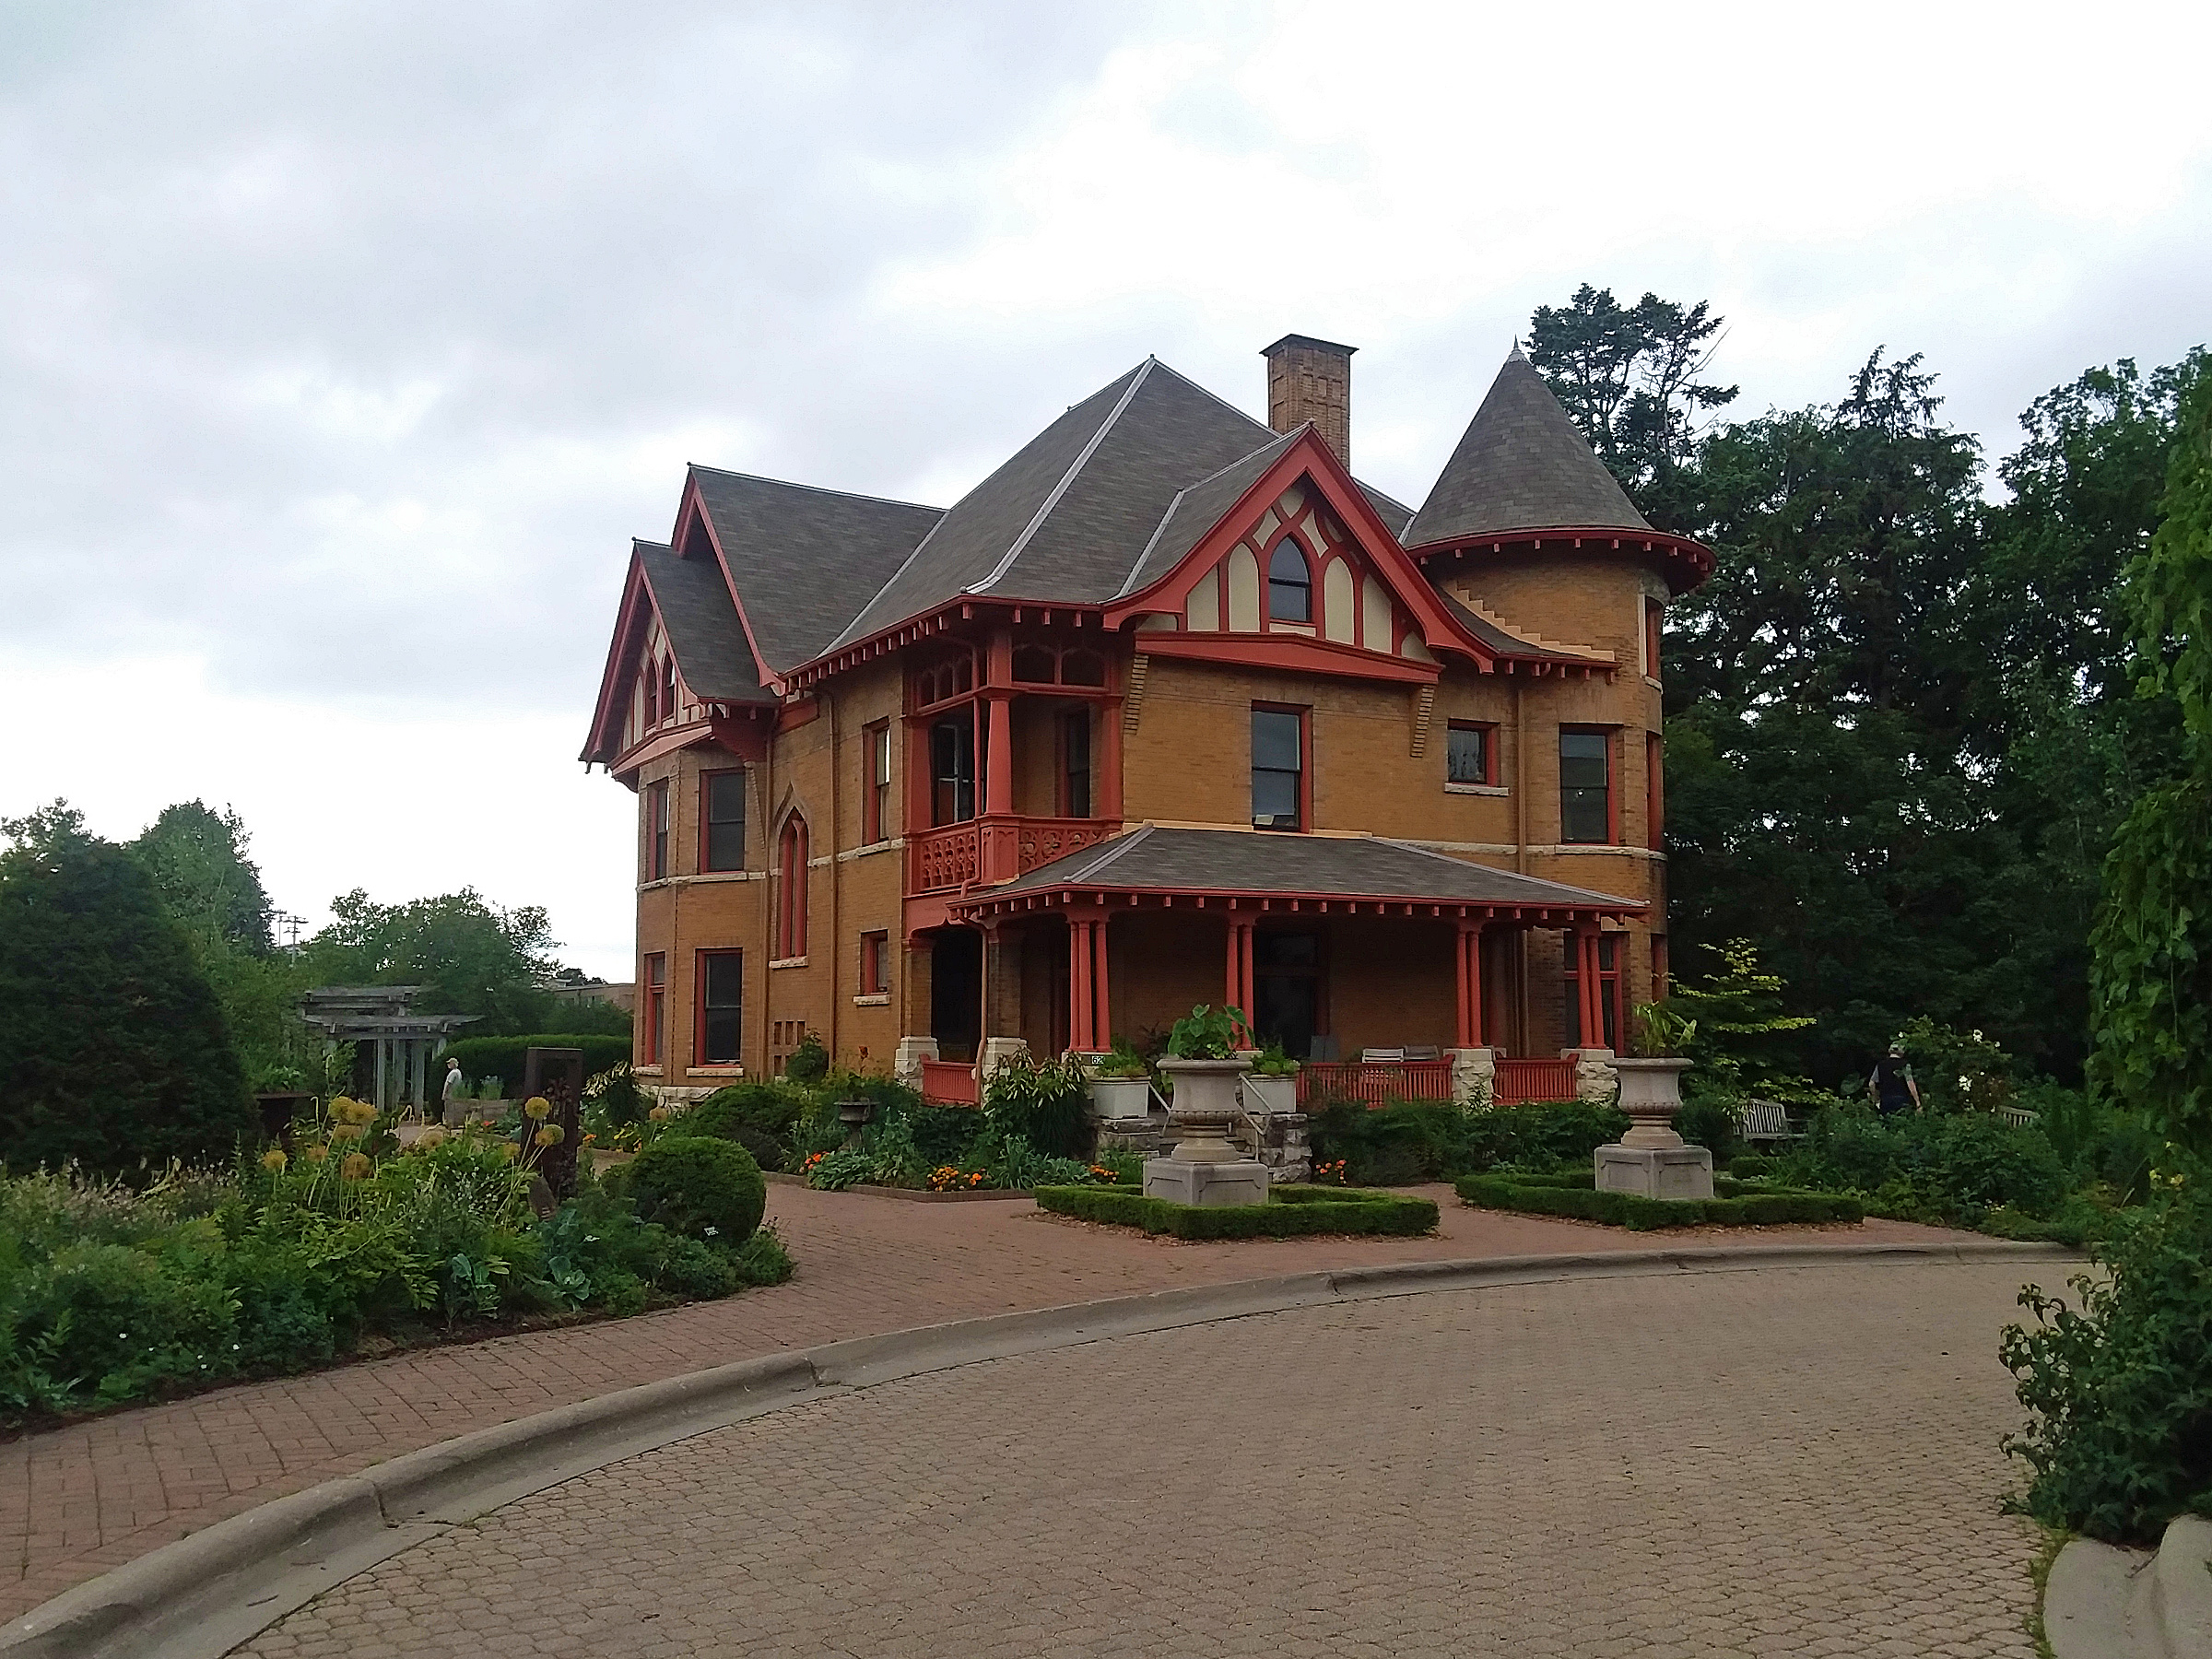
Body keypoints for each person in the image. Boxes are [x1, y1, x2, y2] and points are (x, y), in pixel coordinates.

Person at [1867, 1044, 1921, 1116]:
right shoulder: (1904, 1065)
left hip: (1885, 1099)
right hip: (1902, 1098)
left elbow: (1871, 1083)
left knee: (1887, 1123)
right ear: (1901, 1053)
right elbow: (1910, 1083)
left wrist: (1876, 1098)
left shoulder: (1880, 1065)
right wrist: (1917, 1101)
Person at [441, 1055, 467, 1126]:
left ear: (453, 1064)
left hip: (450, 1094)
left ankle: (449, 1124)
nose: (448, 1065)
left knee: (449, 1110)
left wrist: (445, 1093)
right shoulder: (458, 1072)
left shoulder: (453, 1073)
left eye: (449, 1063)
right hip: (455, 1094)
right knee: (454, 1110)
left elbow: (449, 1083)